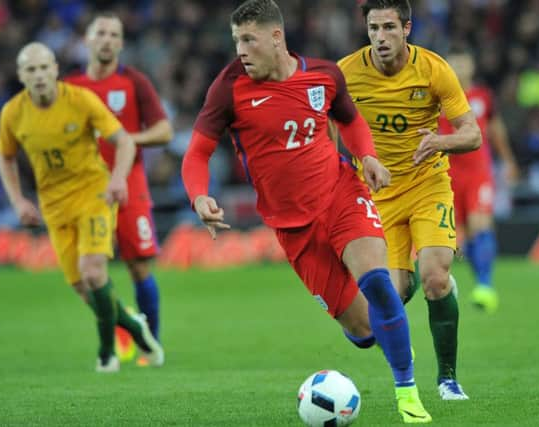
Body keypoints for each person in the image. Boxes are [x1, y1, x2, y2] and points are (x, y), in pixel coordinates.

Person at [181, 0, 431, 423]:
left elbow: (350, 121)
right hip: (292, 227)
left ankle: (408, 393)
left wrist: (367, 156)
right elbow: (197, 153)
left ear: (276, 37)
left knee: (378, 282)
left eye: (249, 39)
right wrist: (199, 197)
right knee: (364, 329)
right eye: (236, 40)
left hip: (340, 194)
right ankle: (372, 333)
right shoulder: (229, 87)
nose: (240, 49)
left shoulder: (323, 74)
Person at [337, 0, 481, 400]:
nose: (380, 37)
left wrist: (441, 141)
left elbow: (473, 134)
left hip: (427, 184)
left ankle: (448, 379)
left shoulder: (434, 69)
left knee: (438, 279)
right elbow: (330, 134)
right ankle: (406, 280)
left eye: (388, 28)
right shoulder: (346, 73)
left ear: (407, 28)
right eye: (373, 28)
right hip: (379, 195)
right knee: (389, 299)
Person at [0, 42, 164, 373]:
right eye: (31, 70)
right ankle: (132, 326)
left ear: (56, 69)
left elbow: (125, 140)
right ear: (21, 76)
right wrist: (17, 200)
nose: (39, 75)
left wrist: (118, 180)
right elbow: (6, 156)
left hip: (94, 195)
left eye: (44, 67)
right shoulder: (13, 113)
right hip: (54, 206)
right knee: (82, 288)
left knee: (93, 272)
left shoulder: (81, 100)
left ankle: (107, 353)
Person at [66, 13, 173, 364]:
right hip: (85, 189)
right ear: (88, 40)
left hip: (130, 183)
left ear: (122, 43)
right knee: (88, 273)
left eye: (114, 34)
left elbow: (164, 131)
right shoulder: (70, 88)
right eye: (101, 33)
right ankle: (126, 329)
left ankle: (150, 345)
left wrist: (129, 138)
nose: (107, 40)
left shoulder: (133, 82)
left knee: (140, 266)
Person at [439, 50, 520, 314]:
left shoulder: (482, 96)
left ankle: (485, 285)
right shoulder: (438, 97)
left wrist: (508, 160)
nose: (460, 67)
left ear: (472, 65)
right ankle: (479, 281)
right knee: (462, 237)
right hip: (447, 176)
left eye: (464, 61)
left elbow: (495, 129)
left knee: (480, 224)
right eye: (455, 62)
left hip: (477, 173)